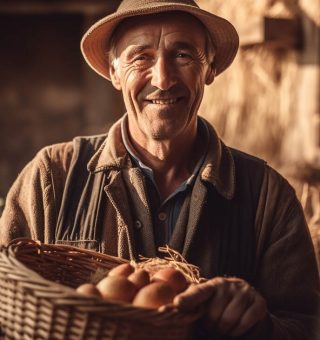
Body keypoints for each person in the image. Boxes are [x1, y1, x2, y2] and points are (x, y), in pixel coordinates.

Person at [0, 0, 319, 339]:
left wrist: (258, 324)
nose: (163, 80)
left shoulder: (267, 196)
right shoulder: (52, 177)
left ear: (209, 69)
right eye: (141, 57)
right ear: (114, 72)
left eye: (183, 55)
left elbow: (306, 326)